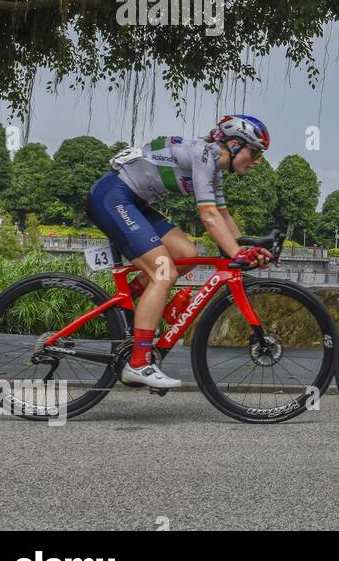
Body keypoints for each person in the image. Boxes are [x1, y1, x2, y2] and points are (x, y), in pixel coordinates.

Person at [86, 115, 274, 390]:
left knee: (186, 253)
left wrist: (245, 250)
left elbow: (223, 216)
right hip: (113, 197)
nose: (257, 160)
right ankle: (138, 363)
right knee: (164, 273)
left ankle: (132, 302)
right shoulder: (204, 156)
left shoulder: (215, 170)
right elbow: (208, 215)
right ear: (233, 145)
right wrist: (236, 254)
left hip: (134, 202)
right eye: (254, 151)